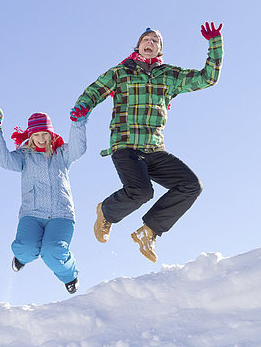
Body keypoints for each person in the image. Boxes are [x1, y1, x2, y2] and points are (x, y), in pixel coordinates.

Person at [70, 22, 224, 263]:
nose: (150, 42)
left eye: (155, 41)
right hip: (125, 145)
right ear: (139, 46)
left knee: (191, 185)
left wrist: (215, 44)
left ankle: (149, 231)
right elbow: (95, 90)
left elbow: (208, 78)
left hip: (154, 149)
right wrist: (83, 106)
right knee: (141, 192)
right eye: (146, 39)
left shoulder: (170, 75)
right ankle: (106, 211)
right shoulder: (121, 72)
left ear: (160, 49)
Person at [0, 109, 86, 294]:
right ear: (30, 136)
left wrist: (78, 123)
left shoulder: (61, 153)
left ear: (50, 134)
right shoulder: (24, 156)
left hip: (61, 214)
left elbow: (79, 149)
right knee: (24, 247)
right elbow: (4, 160)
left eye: (44, 134)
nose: (41, 138)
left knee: (53, 250)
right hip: (32, 214)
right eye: (36, 135)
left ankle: (70, 276)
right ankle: (21, 258)